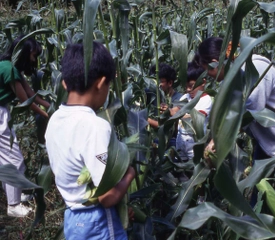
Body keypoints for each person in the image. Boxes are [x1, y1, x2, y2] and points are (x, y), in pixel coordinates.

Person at [45, 42, 135, 239]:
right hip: (99, 223)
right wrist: (129, 173)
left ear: (64, 84)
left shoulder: (54, 121)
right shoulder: (95, 127)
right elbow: (107, 196)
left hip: (73, 219)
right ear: (101, 83)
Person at [197, 36, 275, 160]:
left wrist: (216, 142)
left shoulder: (254, 68)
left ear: (215, 63)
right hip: (269, 140)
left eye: (207, 71)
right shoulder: (230, 80)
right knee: (259, 177)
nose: (209, 76)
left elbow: (252, 111)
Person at [0, 35, 50, 217]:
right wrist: (50, 116)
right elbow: (26, 100)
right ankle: (13, 206)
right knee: (13, 160)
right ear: (25, 53)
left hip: (2, 111)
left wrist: (50, 107)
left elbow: (30, 92)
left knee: (7, 159)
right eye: (34, 55)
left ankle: (17, 196)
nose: (35, 60)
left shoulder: (11, 67)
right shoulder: (9, 70)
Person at [176, 62, 212, 161]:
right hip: (180, 142)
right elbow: (175, 109)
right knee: (180, 169)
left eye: (191, 86)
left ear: (203, 82)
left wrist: (177, 114)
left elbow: (196, 118)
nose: (188, 90)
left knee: (193, 169)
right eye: (186, 86)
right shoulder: (185, 97)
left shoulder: (206, 100)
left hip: (195, 145)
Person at [147, 63, 183, 128]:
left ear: (170, 83)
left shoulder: (180, 99)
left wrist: (146, 120)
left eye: (159, 81)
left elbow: (166, 126)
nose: (155, 84)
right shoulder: (152, 96)